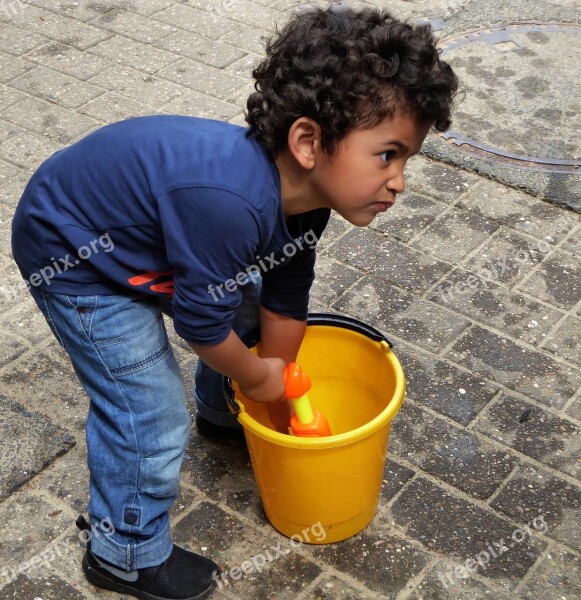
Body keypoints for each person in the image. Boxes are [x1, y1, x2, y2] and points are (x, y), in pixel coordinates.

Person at [11, 5, 457, 600]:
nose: (400, 180)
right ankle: (123, 554)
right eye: (387, 155)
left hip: (153, 238)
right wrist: (257, 376)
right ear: (308, 141)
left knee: (244, 308)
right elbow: (200, 324)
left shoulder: (307, 200)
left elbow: (286, 295)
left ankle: (225, 416)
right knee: (147, 410)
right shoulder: (230, 204)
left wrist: (282, 383)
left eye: (407, 159)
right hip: (74, 252)